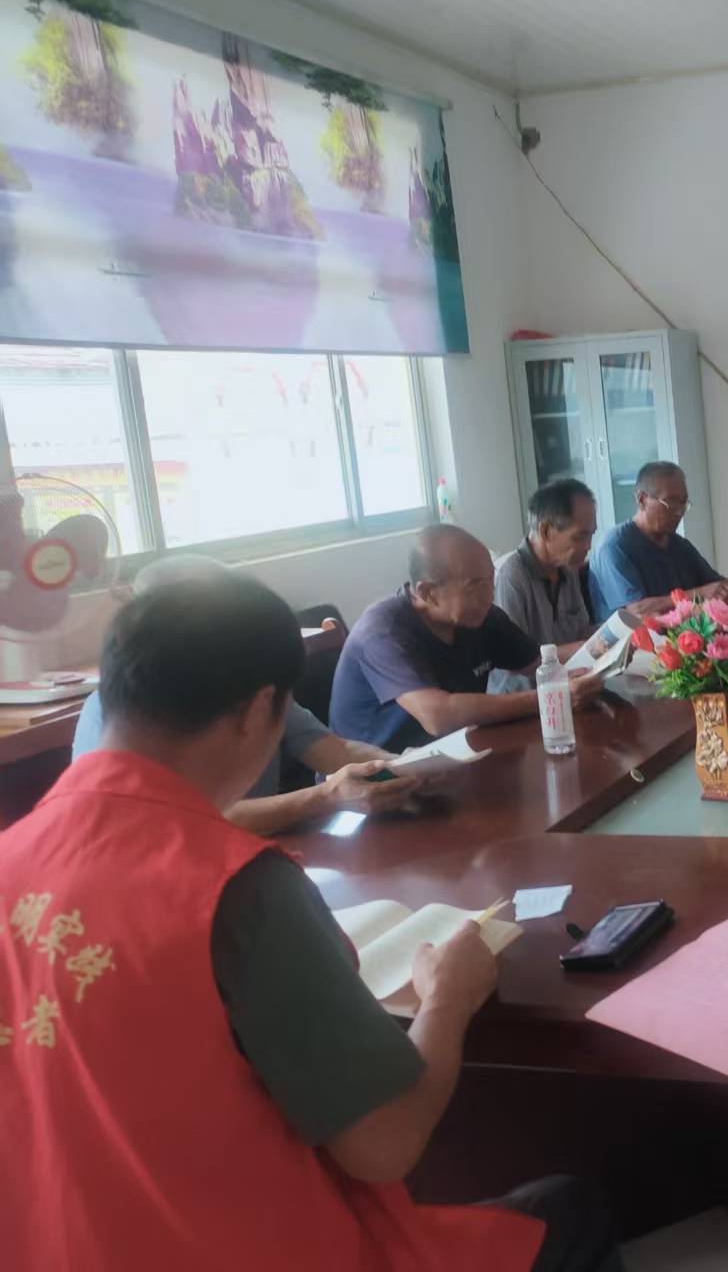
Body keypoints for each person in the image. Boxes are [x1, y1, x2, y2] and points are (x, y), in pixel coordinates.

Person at [0, 572, 622, 1270]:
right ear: (257, 710)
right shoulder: (232, 885)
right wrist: (448, 996)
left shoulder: (12, 854)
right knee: (570, 1209)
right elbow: (385, 1143)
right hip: (237, 1248)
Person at [70, 555, 419, 834]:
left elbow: (334, 751)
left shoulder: (248, 684)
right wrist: (326, 797)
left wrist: (405, 766)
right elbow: (185, 821)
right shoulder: (119, 711)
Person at [331, 525, 600, 752]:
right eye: (475, 586)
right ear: (428, 592)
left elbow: (539, 660)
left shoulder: (480, 615)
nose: (489, 595)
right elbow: (438, 716)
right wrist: (549, 697)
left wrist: (604, 645)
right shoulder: (383, 631)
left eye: (491, 580)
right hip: (374, 776)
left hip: (449, 756)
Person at [588, 461, 728, 620]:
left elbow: (717, 587)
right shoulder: (614, 546)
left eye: (683, 502)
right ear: (642, 500)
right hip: (634, 640)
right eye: (670, 502)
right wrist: (700, 594)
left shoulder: (679, 545)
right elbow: (638, 611)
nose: (678, 512)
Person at [491, 477, 601, 694]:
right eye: (579, 537)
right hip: (524, 699)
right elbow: (514, 661)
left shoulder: (567, 567)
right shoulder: (511, 577)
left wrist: (615, 635)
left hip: (568, 686)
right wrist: (587, 646)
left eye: (591, 534)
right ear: (545, 531)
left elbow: (581, 631)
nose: (588, 546)